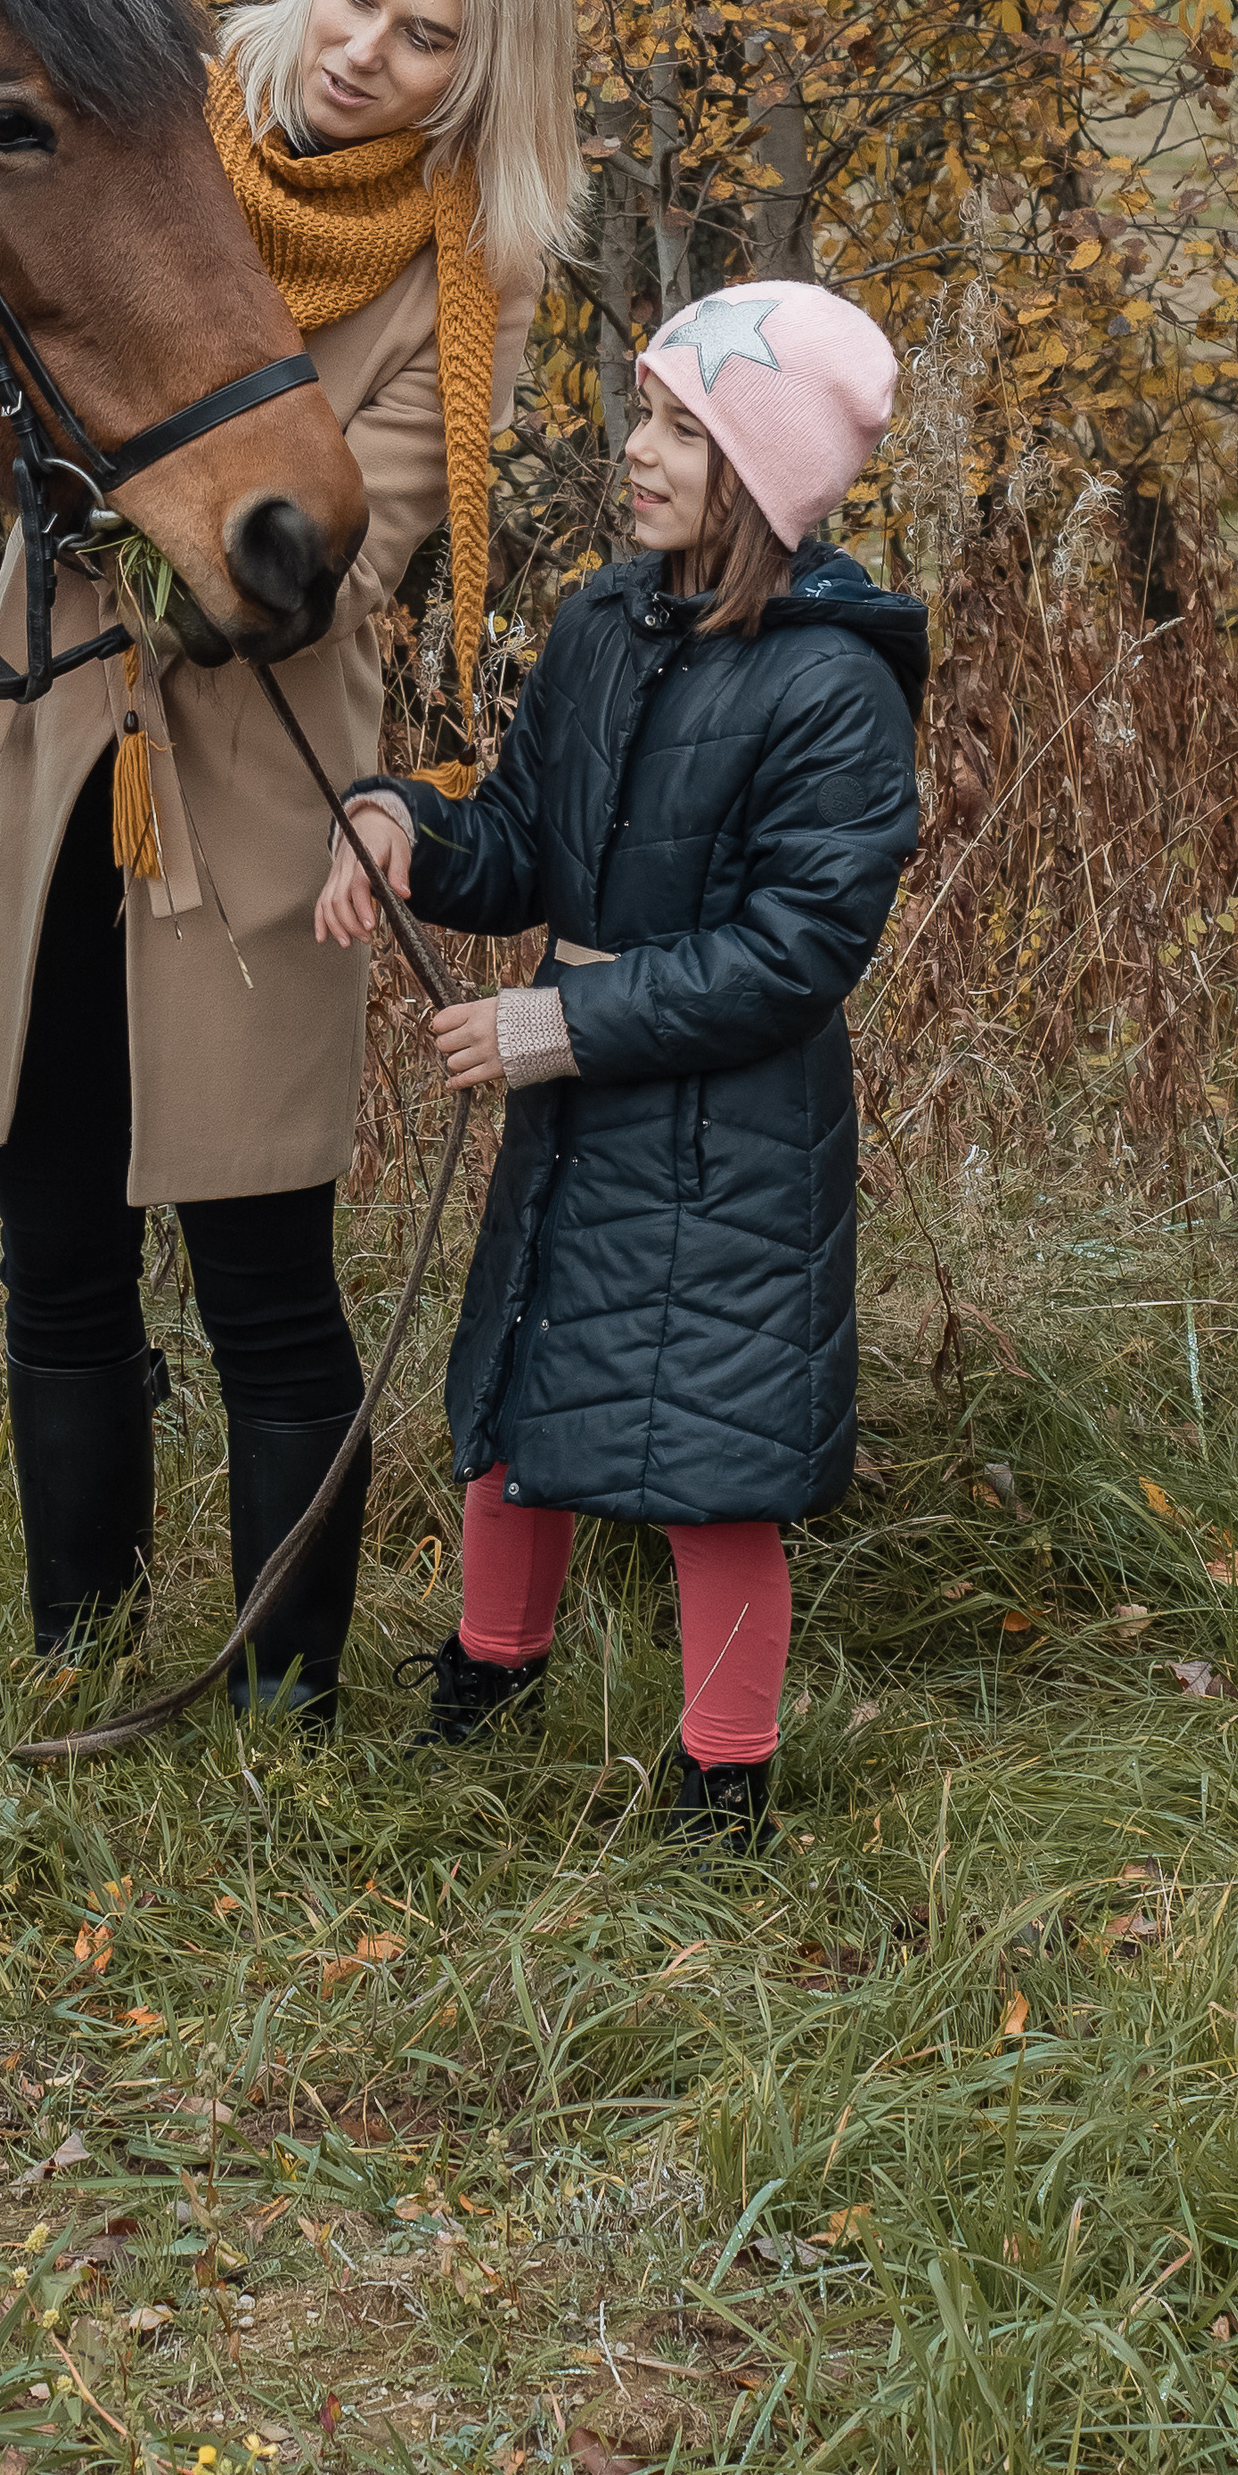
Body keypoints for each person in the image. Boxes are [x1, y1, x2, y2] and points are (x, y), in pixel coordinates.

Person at [0, 0, 586, 1721]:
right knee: (58, 1249)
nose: (365, 50)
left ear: (476, 76)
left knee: (265, 1271)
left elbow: (342, 547)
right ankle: (77, 1657)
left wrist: (160, 507)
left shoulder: (453, 281)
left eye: (427, 40)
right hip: (46, 773)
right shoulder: (145, 123)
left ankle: (281, 1702)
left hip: (260, 812)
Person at [316, 282, 926, 1842]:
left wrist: (553, 1025)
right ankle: (488, 1676)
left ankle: (725, 1783)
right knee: (518, 1403)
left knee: (716, 1467)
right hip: (582, 1121)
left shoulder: (833, 688)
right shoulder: (605, 621)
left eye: (676, 426)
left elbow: (796, 953)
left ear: (760, 467)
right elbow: (526, 840)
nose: (632, 450)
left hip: (733, 1143)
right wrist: (407, 824)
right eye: (642, 412)